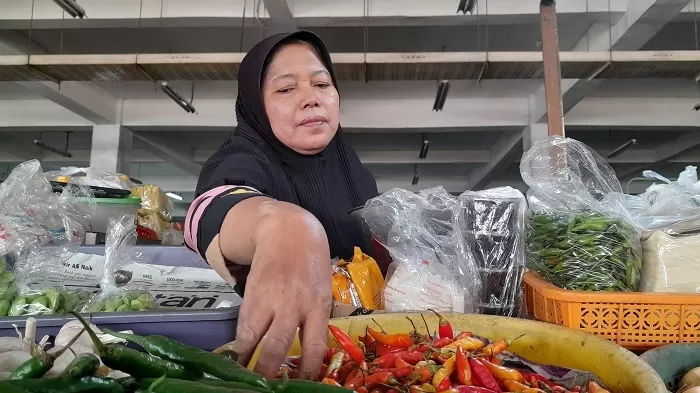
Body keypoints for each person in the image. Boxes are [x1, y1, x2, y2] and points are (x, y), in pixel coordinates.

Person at [184, 31, 378, 379]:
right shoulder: (242, 158)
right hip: (283, 362)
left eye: (321, 84)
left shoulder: (354, 171)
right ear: (255, 104)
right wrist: (283, 225)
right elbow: (208, 210)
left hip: (366, 357)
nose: (311, 99)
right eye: (286, 89)